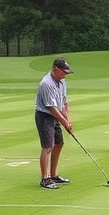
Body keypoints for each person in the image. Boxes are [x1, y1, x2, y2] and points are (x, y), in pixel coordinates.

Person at [35, 58, 74, 190]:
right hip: (45, 115)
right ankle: (45, 179)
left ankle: (53, 174)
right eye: (63, 72)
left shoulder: (62, 82)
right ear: (55, 69)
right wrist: (64, 122)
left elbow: (63, 103)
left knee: (59, 143)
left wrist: (67, 120)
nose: (65, 74)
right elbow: (51, 107)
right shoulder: (46, 83)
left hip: (55, 115)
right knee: (48, 146)